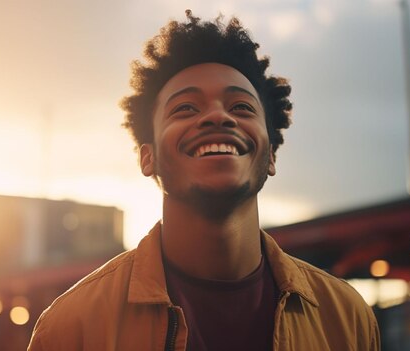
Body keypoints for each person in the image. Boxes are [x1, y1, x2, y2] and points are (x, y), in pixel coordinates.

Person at [28, 11, 380, 351]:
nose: (217, 116)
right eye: (185, 108)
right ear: (147, 158)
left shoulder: (347, 318)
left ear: (271, 154)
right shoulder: (71, 327)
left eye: (241, 107)